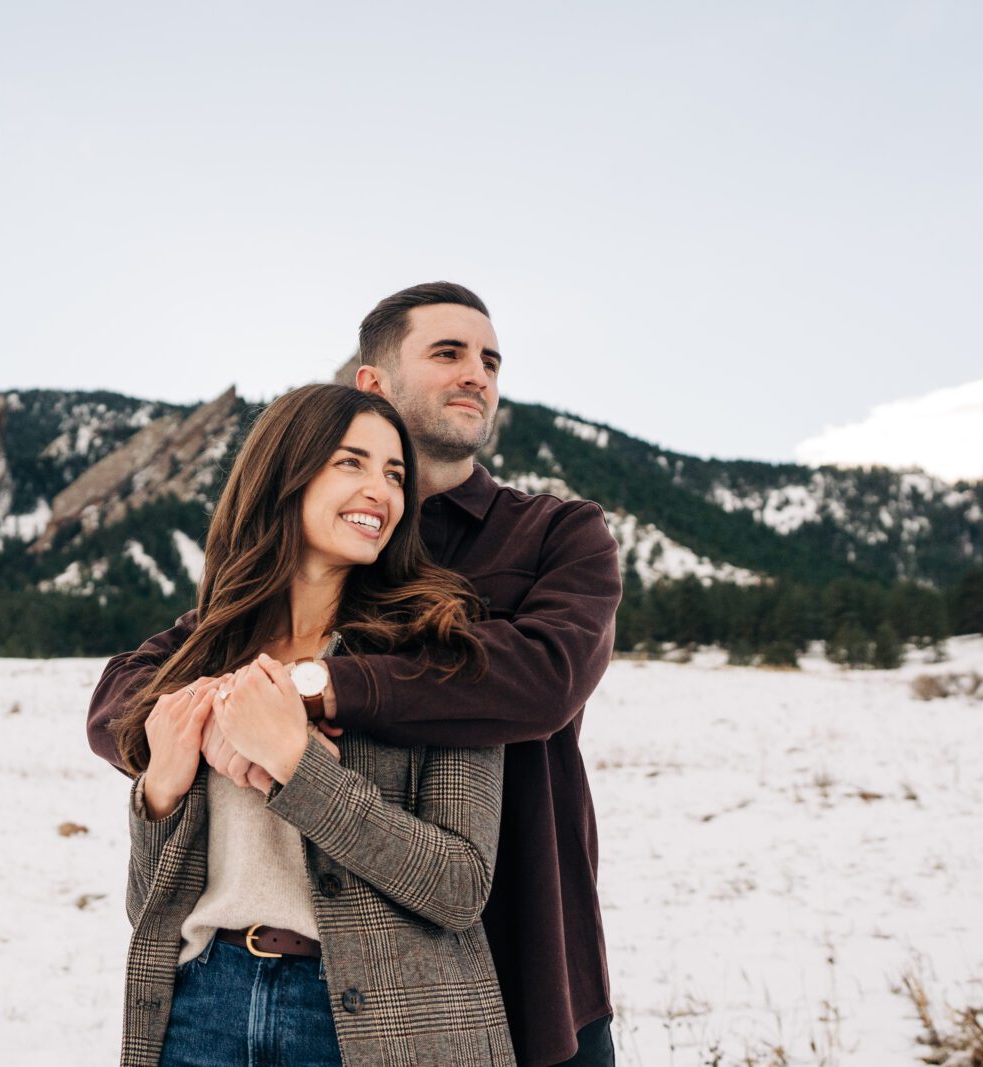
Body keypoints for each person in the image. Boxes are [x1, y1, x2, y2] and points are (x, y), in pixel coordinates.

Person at [91, 282, 623, 1066]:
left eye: (491, 360)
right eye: (447, 352)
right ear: (368, 382)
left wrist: (307, 710)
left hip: (519, 960)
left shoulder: (524, 557)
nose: (477, 373)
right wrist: (177, 752)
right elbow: (126, 698)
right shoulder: (253, 623)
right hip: (216, 1002)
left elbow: (541, 682)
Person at [108, 383, 515, 1066]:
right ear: (285, 475)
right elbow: (148, 908)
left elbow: (459, 885)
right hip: (203, 1011)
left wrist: (300, 767)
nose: (380, 491)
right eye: (350, 462)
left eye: (394, 473)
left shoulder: (437, 645)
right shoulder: (207, 655)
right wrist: (160, 794)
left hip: (379, 1022)